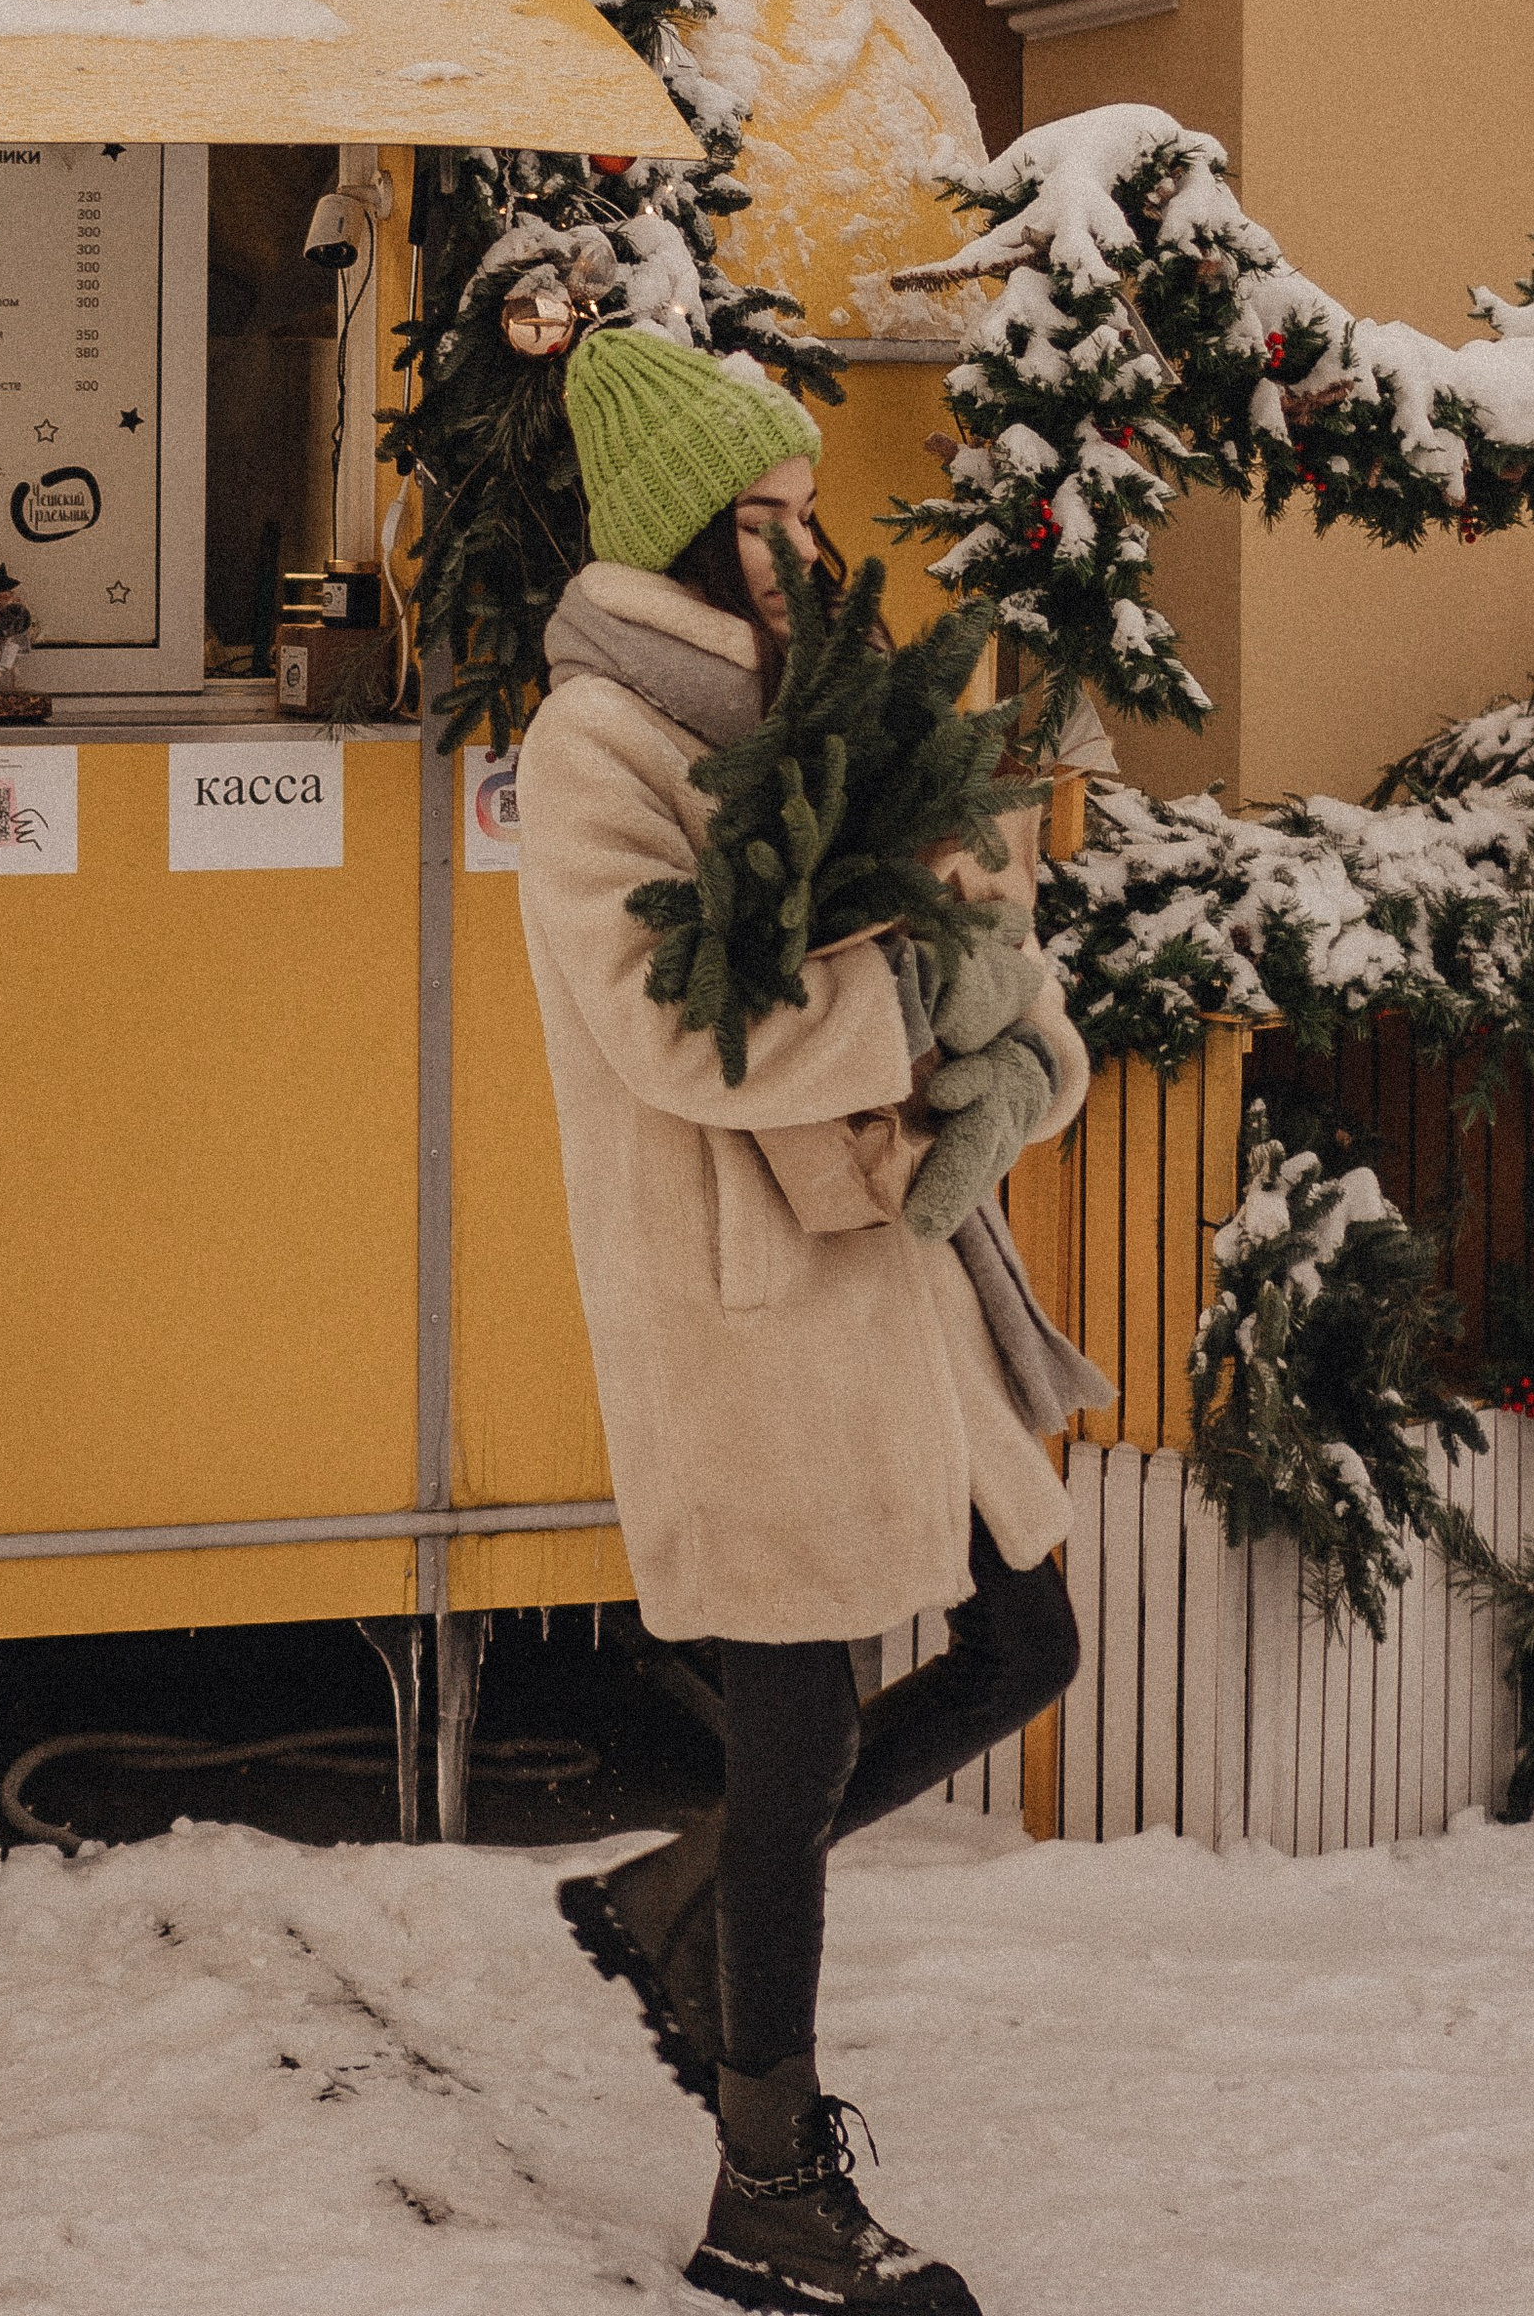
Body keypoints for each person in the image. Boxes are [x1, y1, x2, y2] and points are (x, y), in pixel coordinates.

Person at [519, 324, 1109, 2316]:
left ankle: (675, 1899)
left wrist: (999, 1028)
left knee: (1024, 1635)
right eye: (754, 516)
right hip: (739, 1305)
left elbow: (971, 919)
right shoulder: (594, 742)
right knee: (791, 1721)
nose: (793, 546)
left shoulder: (825, 715)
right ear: (676, 534)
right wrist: (901, 1013)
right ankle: (763, 2190)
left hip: (887, 1277)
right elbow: (673, 1022)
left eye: (800, 509)